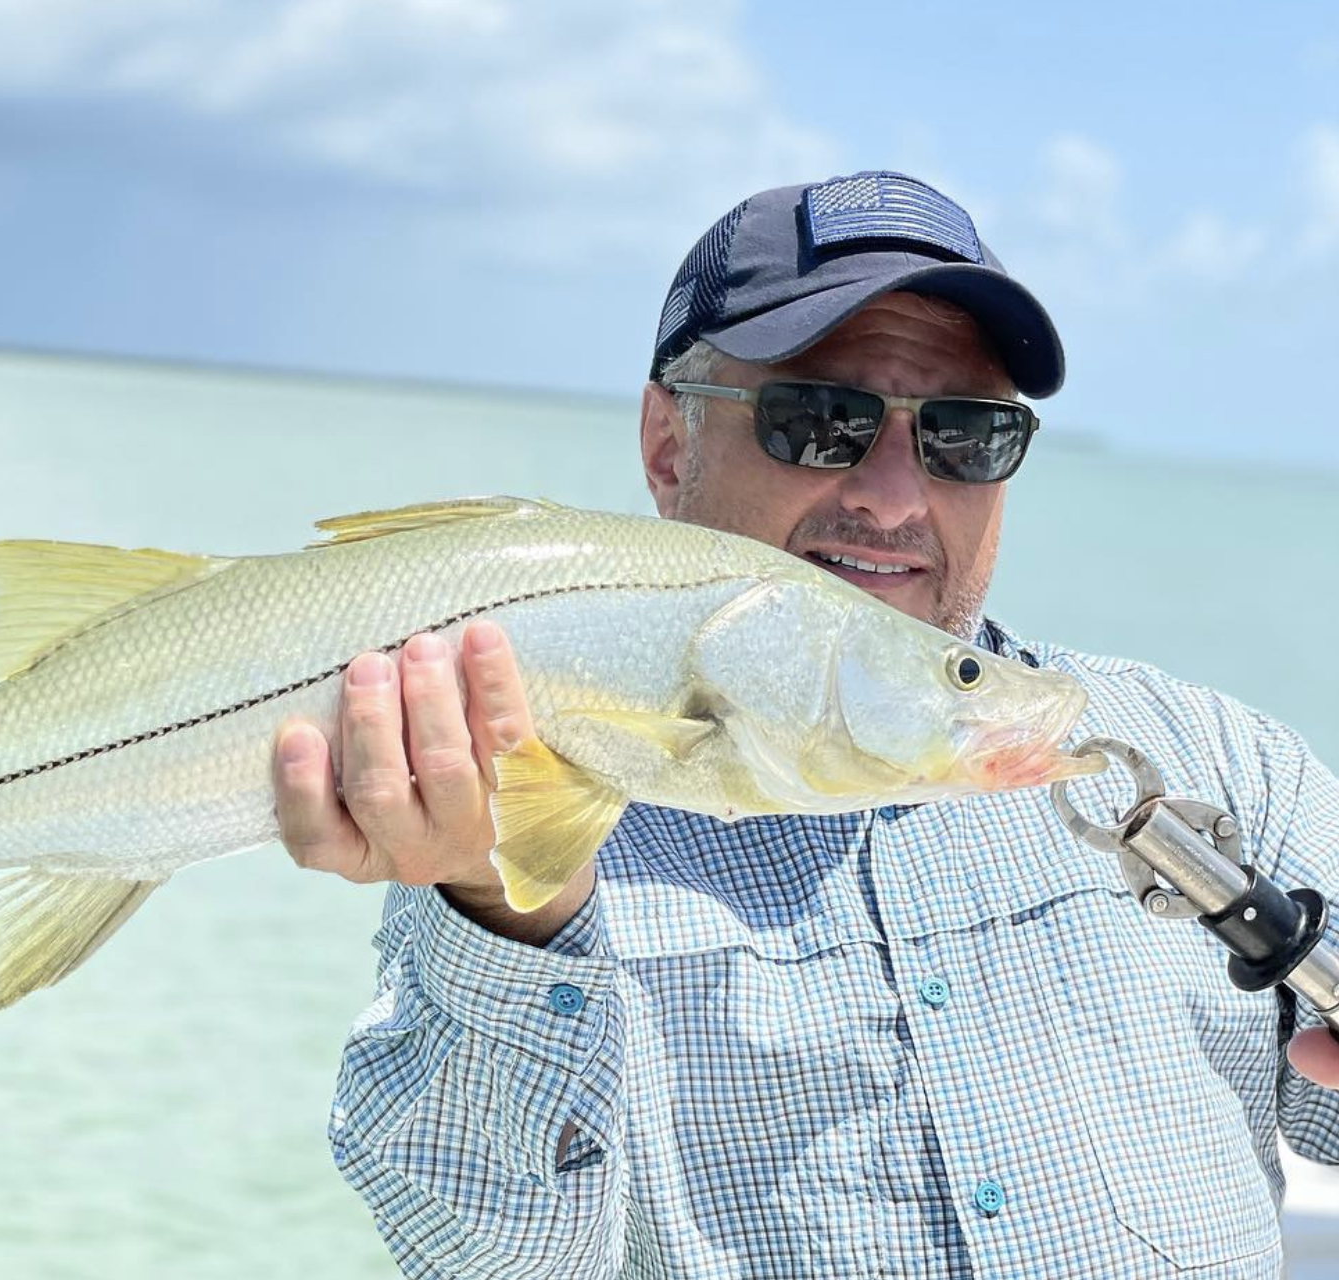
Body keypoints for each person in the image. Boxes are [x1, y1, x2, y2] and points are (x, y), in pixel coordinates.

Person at [272, 170, 1339, 1277]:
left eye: (964, 436)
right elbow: (489, 1259)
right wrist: (501, 915)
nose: (890, 492)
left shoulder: (1223, 761)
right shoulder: (517, 819)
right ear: (667, 448)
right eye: (819, 421)